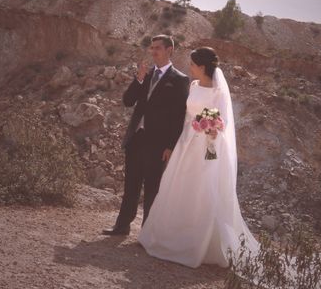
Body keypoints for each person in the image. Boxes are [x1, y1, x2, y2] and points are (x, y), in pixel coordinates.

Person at [138, 46, 258, 267]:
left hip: (207, 145)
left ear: (202, 67)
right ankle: (168, 236)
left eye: (193, 64)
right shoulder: (193, 85)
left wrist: (206, 126)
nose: (190, 68)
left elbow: (221, 121)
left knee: (203, 188)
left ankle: (197, 242)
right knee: (178, 185)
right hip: (186, 142)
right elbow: (187, 115)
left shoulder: (218, 91)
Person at [102, 35, 189, 236]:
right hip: (136, 139)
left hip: (158, 145)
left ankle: (148, 233)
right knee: (130, 186)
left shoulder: (180, 80)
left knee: (152, 189)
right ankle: (121, 226)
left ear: (169, 50)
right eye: (151, 48)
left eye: (157, 48)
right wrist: (139, 79)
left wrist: (170, 146)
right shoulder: (146, 75)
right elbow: (127, 101)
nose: (153, 51)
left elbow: (179, 117)